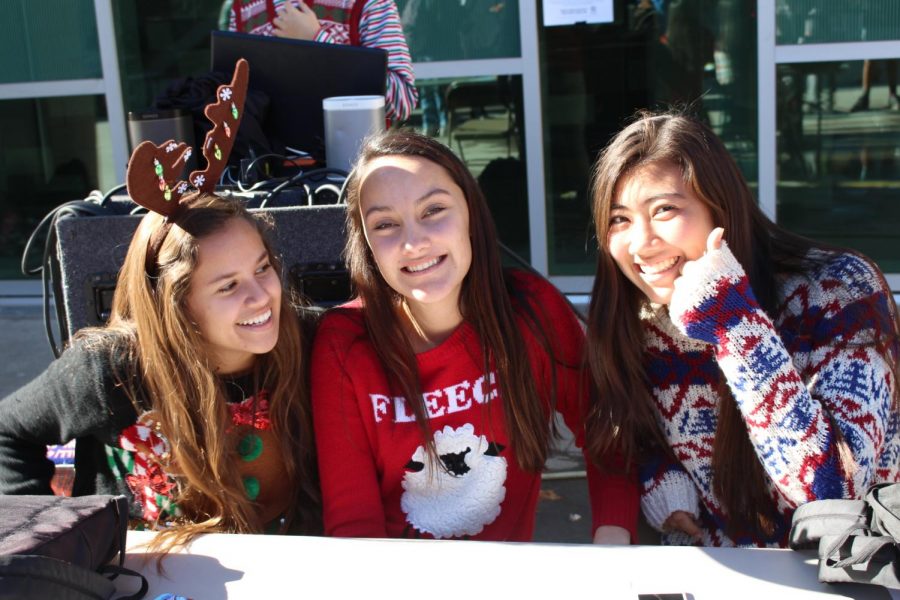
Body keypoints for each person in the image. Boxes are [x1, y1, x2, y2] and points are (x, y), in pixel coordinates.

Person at [585, 110, 900, 547]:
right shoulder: (640, 320)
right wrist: (668, 488)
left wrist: (733, 322)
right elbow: (641, 434)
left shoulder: (839, 291)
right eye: (620, 219)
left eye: (664, 210)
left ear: (721, 208)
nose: (640, 243)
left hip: (856, 565)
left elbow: (834, 492)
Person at [311, 130, 638, 542]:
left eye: (433, 210)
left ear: (471, 212)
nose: (414, 242)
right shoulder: (343, 343)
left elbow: (607, 429)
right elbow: (353, 526)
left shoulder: (531, 309)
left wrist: (614, 534)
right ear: (367, 244)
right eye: (386, 224)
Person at [0, 193, 321, 548]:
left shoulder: (316, 342)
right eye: (228, 285)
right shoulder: (109, 367)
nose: (261, 296)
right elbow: (8, 434)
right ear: (175, 303)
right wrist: (43, 545)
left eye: (263, 268)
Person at [227, 0, 418, 123]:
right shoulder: (243, 8)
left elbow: (401, 101)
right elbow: (232, 106)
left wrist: (317, 40)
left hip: (350, 175)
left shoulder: (369, 3)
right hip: (265, 176)